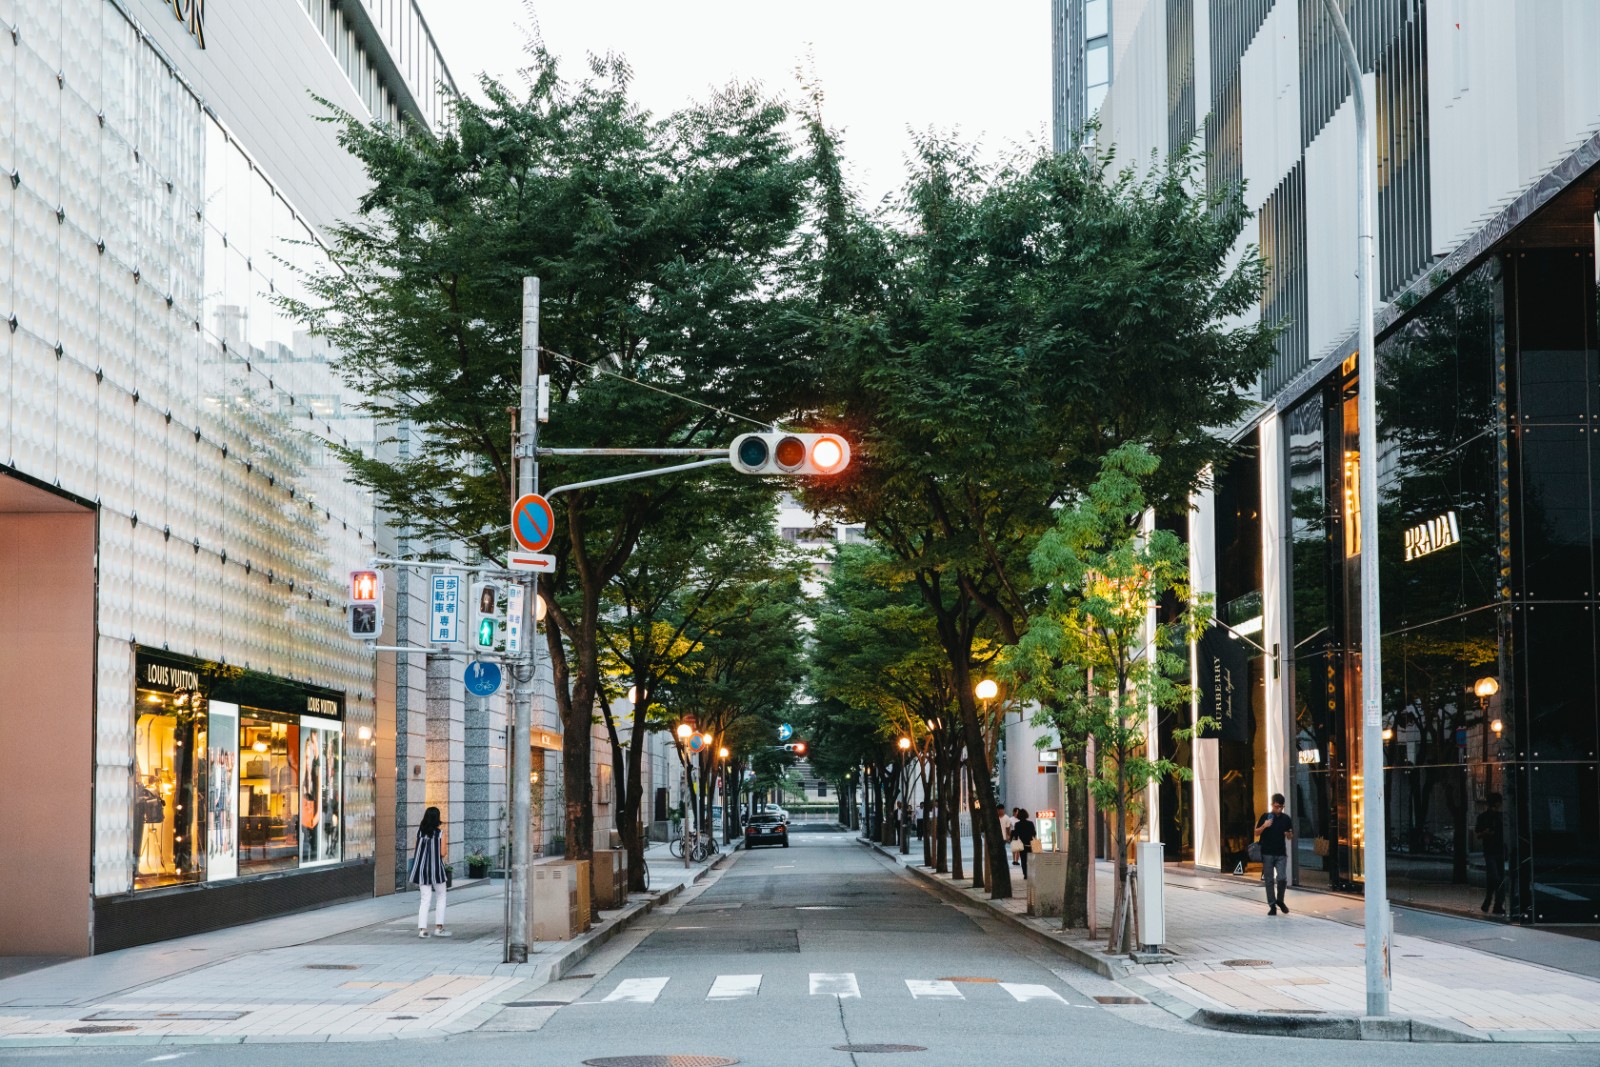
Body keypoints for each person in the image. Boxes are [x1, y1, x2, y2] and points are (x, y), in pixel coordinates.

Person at [408, 806, 451, 938]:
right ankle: (439, 928)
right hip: (436, 870)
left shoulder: (420, 833)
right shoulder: (440, 834)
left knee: (425, 899)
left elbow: (416, 851)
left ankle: (422, 930)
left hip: (422, 870)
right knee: (441, 897)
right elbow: (443, 853)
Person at [1255, 793, 1293, 915]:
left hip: (1281, 853)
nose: (1278, 809)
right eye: (1276, 806)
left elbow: (1290, 836)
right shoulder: (1266, 817)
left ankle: (1280, 900)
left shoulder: (1286, 819)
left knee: (1282, 878)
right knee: (1269, 880)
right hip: (1267, 853)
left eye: (1280, 807)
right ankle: (1272, 905)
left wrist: (1288, 834)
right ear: (1272, 805)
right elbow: (1256, 833)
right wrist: (1264, 826)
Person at [1476, 792, 1507, 915]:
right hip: (1490, 851)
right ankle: (1493, 903)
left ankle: (1492, 904)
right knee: (1496, 877)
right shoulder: (1484, 817)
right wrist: (1486, 833)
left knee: (1495, 878)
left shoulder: (1500, 816)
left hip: (1498, 850)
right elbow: (1478, 834)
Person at [1012, 808, 1037, 879]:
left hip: (1022, 845)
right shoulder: (1030, 823)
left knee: (1023, 860)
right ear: (1026, 815)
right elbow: (1034, 833)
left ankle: (1025, 874)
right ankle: (1030, 873)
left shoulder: (1017, 824)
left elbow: (1016, 835)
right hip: (1030, 844)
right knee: (1030, 860)